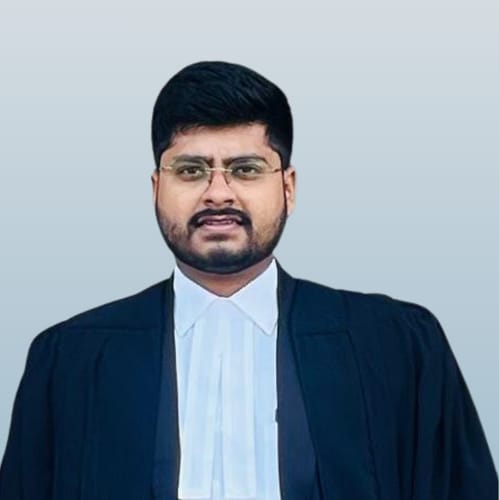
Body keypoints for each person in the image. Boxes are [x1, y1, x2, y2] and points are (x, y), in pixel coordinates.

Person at [0, 61, 496, 500]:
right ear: (156, 188)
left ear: (288, 187)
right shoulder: (71, 359)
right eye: (190, 170)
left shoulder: (396, 346)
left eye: (246, 169)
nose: (218, 193)